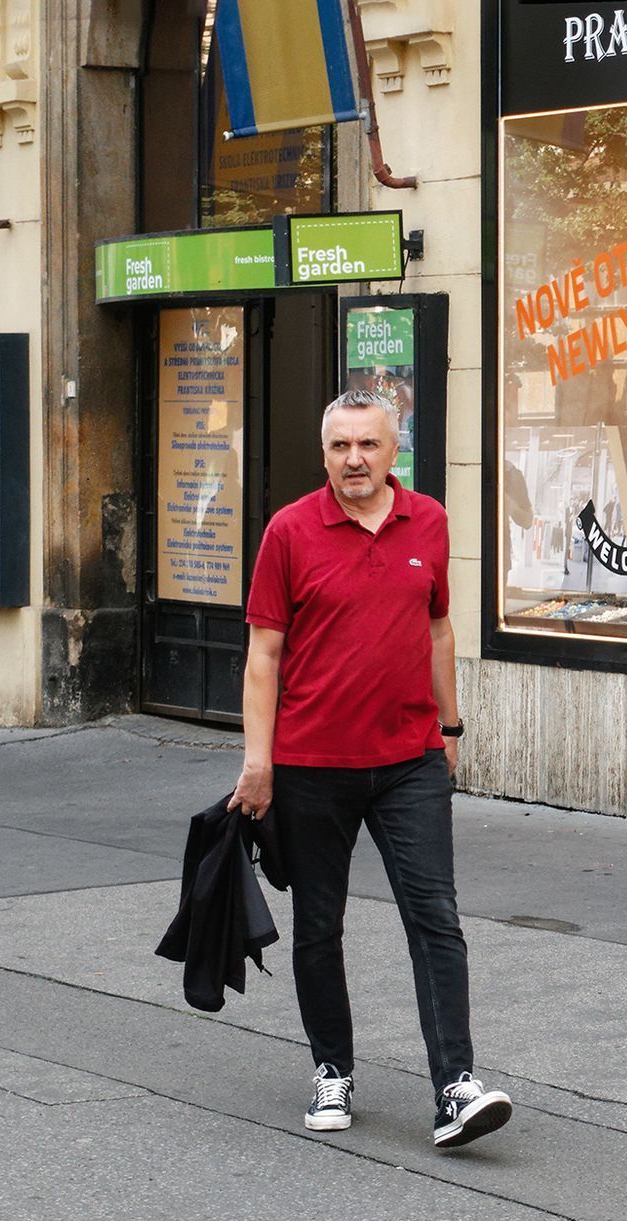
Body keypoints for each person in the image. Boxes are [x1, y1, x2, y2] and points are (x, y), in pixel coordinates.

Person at [229, 390, 513, 1149]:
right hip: (312, 764)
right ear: (323, 455)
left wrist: (449, 726)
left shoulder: (431, 523)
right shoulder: (289, 532)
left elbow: (439, 628)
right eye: (340, 447)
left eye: (369, 445)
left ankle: (456, 1085)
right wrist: (259, 763)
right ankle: (333, 1069)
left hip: (409, 761)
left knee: (436, 919)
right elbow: (263, 655)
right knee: (319, 925)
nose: (355, 459)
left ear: (395, 451)